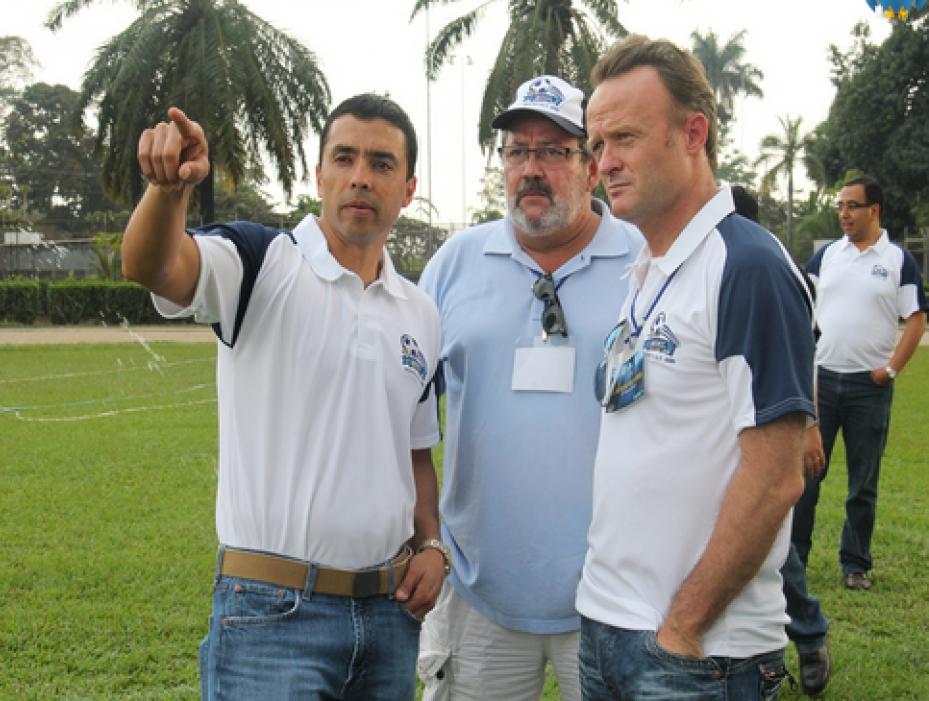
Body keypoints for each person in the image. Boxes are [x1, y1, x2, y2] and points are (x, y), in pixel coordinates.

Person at [121, 94, 450, 700]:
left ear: (407, 189)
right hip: (272, 615)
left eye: (381, 164)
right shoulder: (260, 262)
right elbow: (152, 265)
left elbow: (416, 452)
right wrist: (168, 191)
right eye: (344, 158)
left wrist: (431, 543)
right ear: (316, 173)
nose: (360, 176)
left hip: (388, 617)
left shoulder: (422, 314)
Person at [576, 36, 817, 699]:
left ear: (693, 133)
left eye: (623, 136)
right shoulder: (644, 271)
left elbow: (775, 479)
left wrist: (683, 626)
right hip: (608, 625)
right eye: (596, 145)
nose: (605, 163)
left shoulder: (746, 266)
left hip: (699, 651)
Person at [416, 75, 644, 701]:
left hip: (618, 598)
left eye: (554, 151)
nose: (531, 169)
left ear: (592, 166)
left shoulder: (645, 262)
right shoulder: (455, 265)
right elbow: (402, 416)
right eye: (518, 152)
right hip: (478, 593)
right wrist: (423, 536)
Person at [795, 175, 927, 592]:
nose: (844, 214)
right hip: (822, 382)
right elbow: (802, 309)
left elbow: (917, 319)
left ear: (875, 210)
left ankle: (855, 564)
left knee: (862, 483)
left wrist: (889, 371)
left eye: (852, 206)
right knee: (806, 478)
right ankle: (794, 562)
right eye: (840, 206)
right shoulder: (827, 257)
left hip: (869, 389)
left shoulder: (897, 260)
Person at [732, 184, 833, 697]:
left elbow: (801, 360)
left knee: (773, 543)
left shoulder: (770, 270)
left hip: (769, 430)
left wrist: (809, 426)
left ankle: (810, 636)